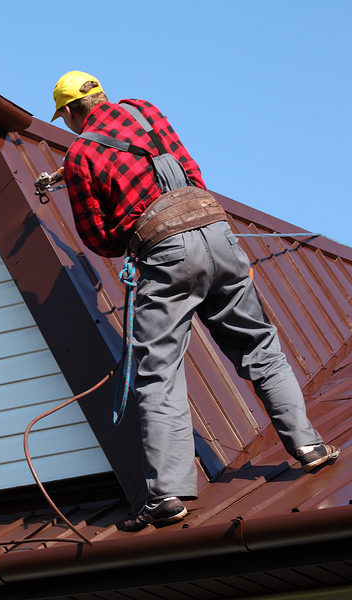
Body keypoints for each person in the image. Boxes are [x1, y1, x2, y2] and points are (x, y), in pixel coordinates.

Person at [47, 70, 339, 528]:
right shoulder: (144, 110)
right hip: (217, 232)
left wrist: (137, 236)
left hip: (166, 252)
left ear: (69, 112)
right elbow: (191, 172)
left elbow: (96, 236)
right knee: (259, 346)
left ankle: (167, 495)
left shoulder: (81, 152)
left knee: (158, 372)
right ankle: (309, 445)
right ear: (100, 94)